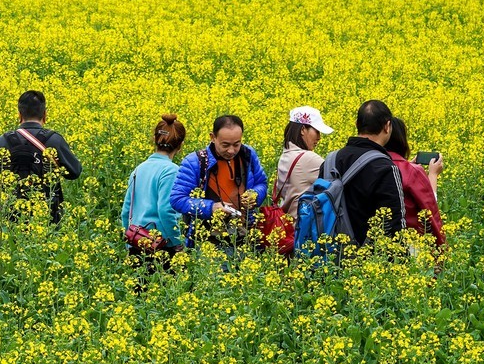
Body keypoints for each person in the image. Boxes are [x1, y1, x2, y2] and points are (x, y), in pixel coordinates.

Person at [169, 115, 268, 249]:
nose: (231, 150)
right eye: (225, 145)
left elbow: (261, 183)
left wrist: (255, 195)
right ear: (213, 137)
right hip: (208, 240)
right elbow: (177, 199)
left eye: (236, 144)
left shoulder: (248, 155)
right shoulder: (195, 162)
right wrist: (211, 208)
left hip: (245, 233)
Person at [0, 90, 82, 224]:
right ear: (45, 114)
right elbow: (75, 172)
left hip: (10, 216)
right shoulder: (54, 140)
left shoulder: (2, 141)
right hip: (48, 216)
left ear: (19, 115)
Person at [321, 100, 406, 245]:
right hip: (370, 260)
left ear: (356, 124)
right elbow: (395, 223)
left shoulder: (330, 161)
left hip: (329, 257)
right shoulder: (385, 167)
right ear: (387, 126)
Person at [121, 114, 187, 270]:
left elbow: (126, 211)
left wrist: (129, 242)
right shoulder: (171, 171)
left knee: (138, 293)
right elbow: (166, 211)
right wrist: (177, 243)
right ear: (181, 145)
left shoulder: (139, 169)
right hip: (161, 247)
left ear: (154, 139)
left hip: (137, 242)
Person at [386, 117, 445, 247]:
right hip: (411, 244)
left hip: (378, 244)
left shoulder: (373, 164)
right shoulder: (412, 171)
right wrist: (433, 174)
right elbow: (429, 206)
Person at [274, 107, 334, 216]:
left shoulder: (286, 154)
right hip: (303, 228)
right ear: (302, 130)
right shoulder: (307, 159)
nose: (319, 137)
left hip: (287, 227)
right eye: (316, 131)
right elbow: (338, 183)